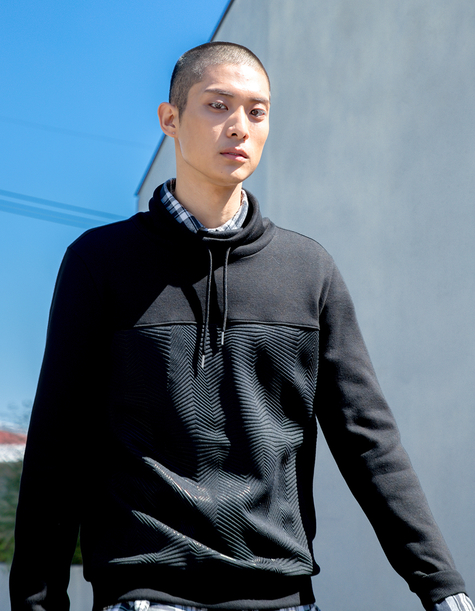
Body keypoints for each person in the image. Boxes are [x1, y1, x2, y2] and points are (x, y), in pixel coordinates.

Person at [10, 42, 473, 611]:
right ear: (170, 119)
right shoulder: (101, 264)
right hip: (147, 596)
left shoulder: (308, 271)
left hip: (283, 597)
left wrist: (442, 586)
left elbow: (368, 441)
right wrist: (36, 601)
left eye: (257, 111)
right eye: (218, 105)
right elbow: (59, 443)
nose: (239, 126)